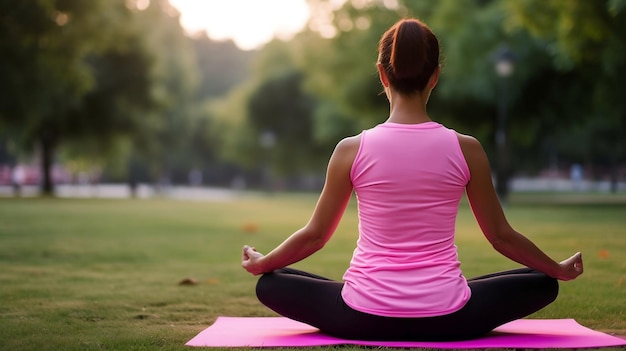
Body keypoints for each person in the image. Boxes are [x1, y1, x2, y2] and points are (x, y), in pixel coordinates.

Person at [241, 18, 583, 341]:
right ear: (434, 76)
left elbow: (315, 237)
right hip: (449, 318)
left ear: (382, 74)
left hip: (362, 315)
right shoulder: (467, 149)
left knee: (272, 282)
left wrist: (263, 263)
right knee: (543, 282)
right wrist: (556, 268)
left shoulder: (350, 149)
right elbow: (500, 237)